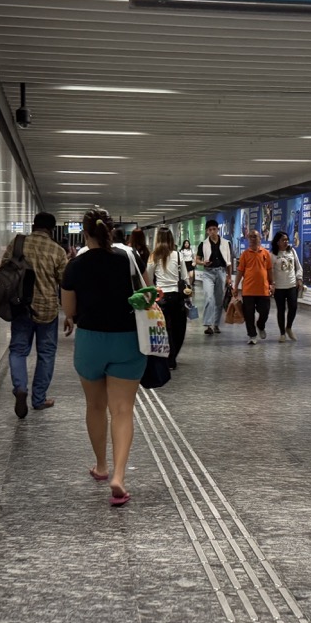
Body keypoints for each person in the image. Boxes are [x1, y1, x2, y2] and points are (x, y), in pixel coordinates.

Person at [61, 207, 144, 507]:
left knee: (95, 406)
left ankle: (101, 466)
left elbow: (69, 310)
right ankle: (119, 476)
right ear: (111, 230)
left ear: (85, 233)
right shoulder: (130, 258)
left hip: (90, 341)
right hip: (128, 340)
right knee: (122, 409)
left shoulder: (75, 265)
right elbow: (147, 294)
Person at [4, 212, 70, 419]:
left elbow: (4, 269)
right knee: (46, 353)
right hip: (47, 308)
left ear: (33, 226)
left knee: (18, 350)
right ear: (52, 230)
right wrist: (70, 313)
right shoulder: (57, 251)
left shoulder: (17, 244)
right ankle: (39, 399)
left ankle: (20, 388)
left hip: (21, 307)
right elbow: (65, 282)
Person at [151, 227, 192, 369]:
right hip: (176, 296)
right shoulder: (178, 255)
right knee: (178, 327)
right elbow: (185, 277)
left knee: (164, 329)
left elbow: (148, 277)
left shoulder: (154, 256)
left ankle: (168, 357)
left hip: (160, 297)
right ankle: (172, 356)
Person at [235, 228, 275, 345]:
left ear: (260, 238)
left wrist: (272, 284)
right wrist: (235, 286)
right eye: (250, 236)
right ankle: (252, 335)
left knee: (265, 311)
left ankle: (260, 325)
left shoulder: (266, 253)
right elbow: (240, 272)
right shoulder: (245, 254)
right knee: (249, 314)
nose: (253, 238)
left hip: (263, 289)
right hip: (248, 290)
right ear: (248, 239)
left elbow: (269, 270)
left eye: (255, 236)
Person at [195, 219, 234, 336]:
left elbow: (229, 261)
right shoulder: (203, 244)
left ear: (218, 229)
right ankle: (208, 325)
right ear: (207, 231)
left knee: (219, 299)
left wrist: (229, 276)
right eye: (210, 230)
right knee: (209, 297)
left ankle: (216, 324)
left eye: (214, 229)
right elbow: (197, 259)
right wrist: (203, 263)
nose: (212, 231)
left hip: (221, 272)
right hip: (208, 273)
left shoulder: (226, 243)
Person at [271, 231, 303, 342]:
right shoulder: (273, 255)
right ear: (277, 242)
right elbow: (270, 271)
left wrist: (299, 279)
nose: (286, 242)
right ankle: (282, 333)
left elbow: (298, 266)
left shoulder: (292, 251)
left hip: (291, 285)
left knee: (293, 307)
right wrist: (272, 284)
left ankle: (288, 327)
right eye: (283, 240)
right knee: (281, 310)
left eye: (287, 240)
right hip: (279, 287)